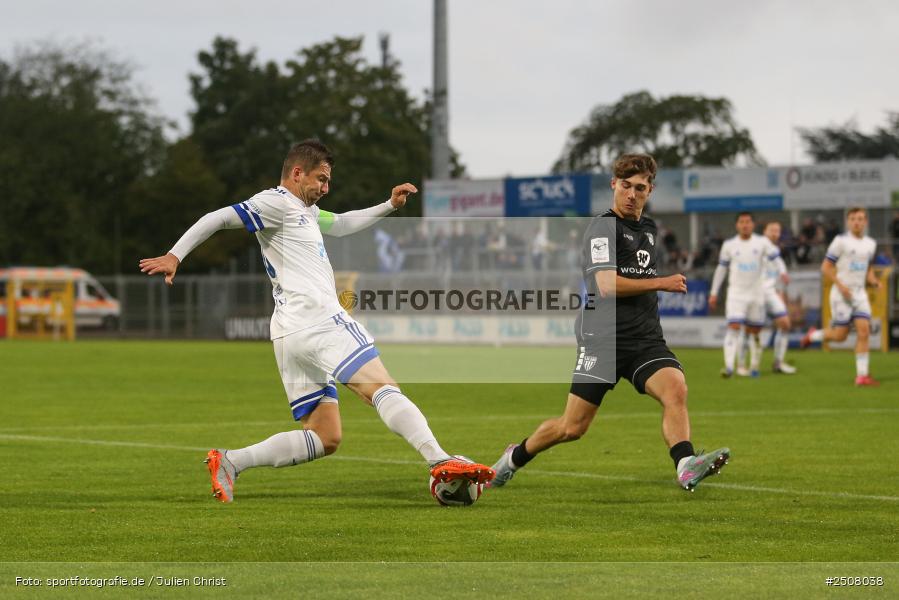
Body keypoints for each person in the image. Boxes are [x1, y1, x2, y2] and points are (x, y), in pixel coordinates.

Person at [139, 139, 494, 502]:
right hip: (320, 319)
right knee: (382, 387)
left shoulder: (304, 210)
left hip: (289, 334)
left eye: (328, 181)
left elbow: (339, 224)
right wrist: (174, 255)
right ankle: (439, 460)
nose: (326, 188)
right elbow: (218, 218)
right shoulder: (275, 202)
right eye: (321, 179)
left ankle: (230, 462)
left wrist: (389, 205)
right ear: (296, 173)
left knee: (325, 437)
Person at [489, 153, 729, 493]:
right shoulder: (602, 227)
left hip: (644, 339)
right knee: (572, 427)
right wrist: (661, 282)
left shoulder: (649, 228)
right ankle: (514, 458)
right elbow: (606, 284)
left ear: (650, 190)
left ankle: (685, 464)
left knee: (676, 389)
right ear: (614, 185)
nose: (632, 194)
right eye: (626, 186)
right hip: (602, 340)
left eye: (641, 188)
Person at [801, 207, 881, 386]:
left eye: (860, 219)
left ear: (865, 222)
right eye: (853, 219)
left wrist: (873, 280)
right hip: (841, 294)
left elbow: (867, 268)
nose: (857, 222)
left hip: (859, 294)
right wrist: (840, 285)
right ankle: (813, 335)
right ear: (848, 222)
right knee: (840, 336)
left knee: (864, 331)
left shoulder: (871, 244)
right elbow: (826, 267)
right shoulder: (840, 241)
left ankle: (862, 376)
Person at [710, 213, 782, 378]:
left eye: (748, 222)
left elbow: (776, 258)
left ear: (753, 225)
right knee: (734, 327)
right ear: (737, 225)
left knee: (755, 331)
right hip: (736, 294)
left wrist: (781, 274)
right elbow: (721, 270)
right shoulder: (729, 245)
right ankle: (729, 367)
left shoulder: (762, 242)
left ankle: (754, 367)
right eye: (742, 222)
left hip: (756, 294)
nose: (745, 225)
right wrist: (714, 292)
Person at [734, 221, 796, 375]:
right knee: (750, 329)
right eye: (772, 230)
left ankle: (778, 363)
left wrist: (780, 294)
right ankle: (741, 365)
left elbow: (778, 278)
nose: (775, 233)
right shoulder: (756, 246)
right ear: (765, 232)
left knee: (785, 324)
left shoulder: (776, 252)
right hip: (756, 292)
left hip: (771, 293)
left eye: (778, 230)